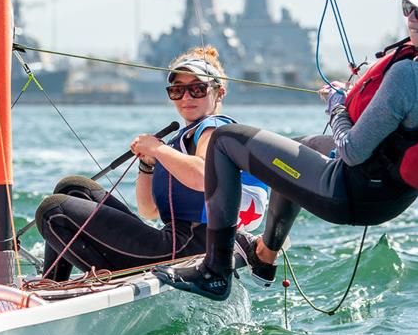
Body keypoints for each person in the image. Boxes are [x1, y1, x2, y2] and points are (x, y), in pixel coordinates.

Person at [154, 0, 418, 300]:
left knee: (227, 142)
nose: (412, 18)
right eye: (408, 8)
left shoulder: (410, 73)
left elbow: (351, 151)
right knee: (296, 146)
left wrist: (336, 106)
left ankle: (214, 273)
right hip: (390, 196)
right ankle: (264, 257)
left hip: (350, 192)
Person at [35, 46, 268, 280]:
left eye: (197, 89)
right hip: (174, 240)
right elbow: (150, 210)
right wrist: (147, 164)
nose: (186, 97)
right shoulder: (184, 140)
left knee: (53, 211)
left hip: (185, 249)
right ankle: (53, 282)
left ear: (219, 93)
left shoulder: (214, 127)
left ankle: (103, 281)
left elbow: (201, 177)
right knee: (73, 188)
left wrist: (157, 148)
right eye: (177, 90)